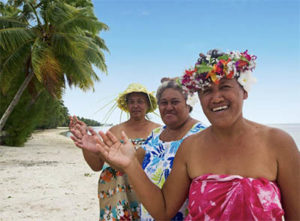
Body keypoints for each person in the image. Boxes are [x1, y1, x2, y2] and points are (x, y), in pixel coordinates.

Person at [95, 50, 300, 220]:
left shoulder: (278, 143)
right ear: (199, 98)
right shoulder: (191, 147)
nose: (216, 97)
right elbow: (164, 210)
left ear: (244, 91)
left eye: (225, 87)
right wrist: (130, 164)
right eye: (207, 91)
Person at [71, 79, 206, 220]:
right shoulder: (156, 135)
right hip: (147, 212)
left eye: (175, 101)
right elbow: (131, 165)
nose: (169, 107)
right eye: (164, 103)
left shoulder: (200, 135)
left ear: (188, 104)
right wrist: (98, 150)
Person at [69, 83, 160, 220]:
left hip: (146, 189)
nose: (135, 105)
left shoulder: (158, 131)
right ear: (127, 105)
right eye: (132, 102)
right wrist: (85, 144)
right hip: (116, 193)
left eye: (140, 101)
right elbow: (96, 166)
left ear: (148, 105)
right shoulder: (115, 131)